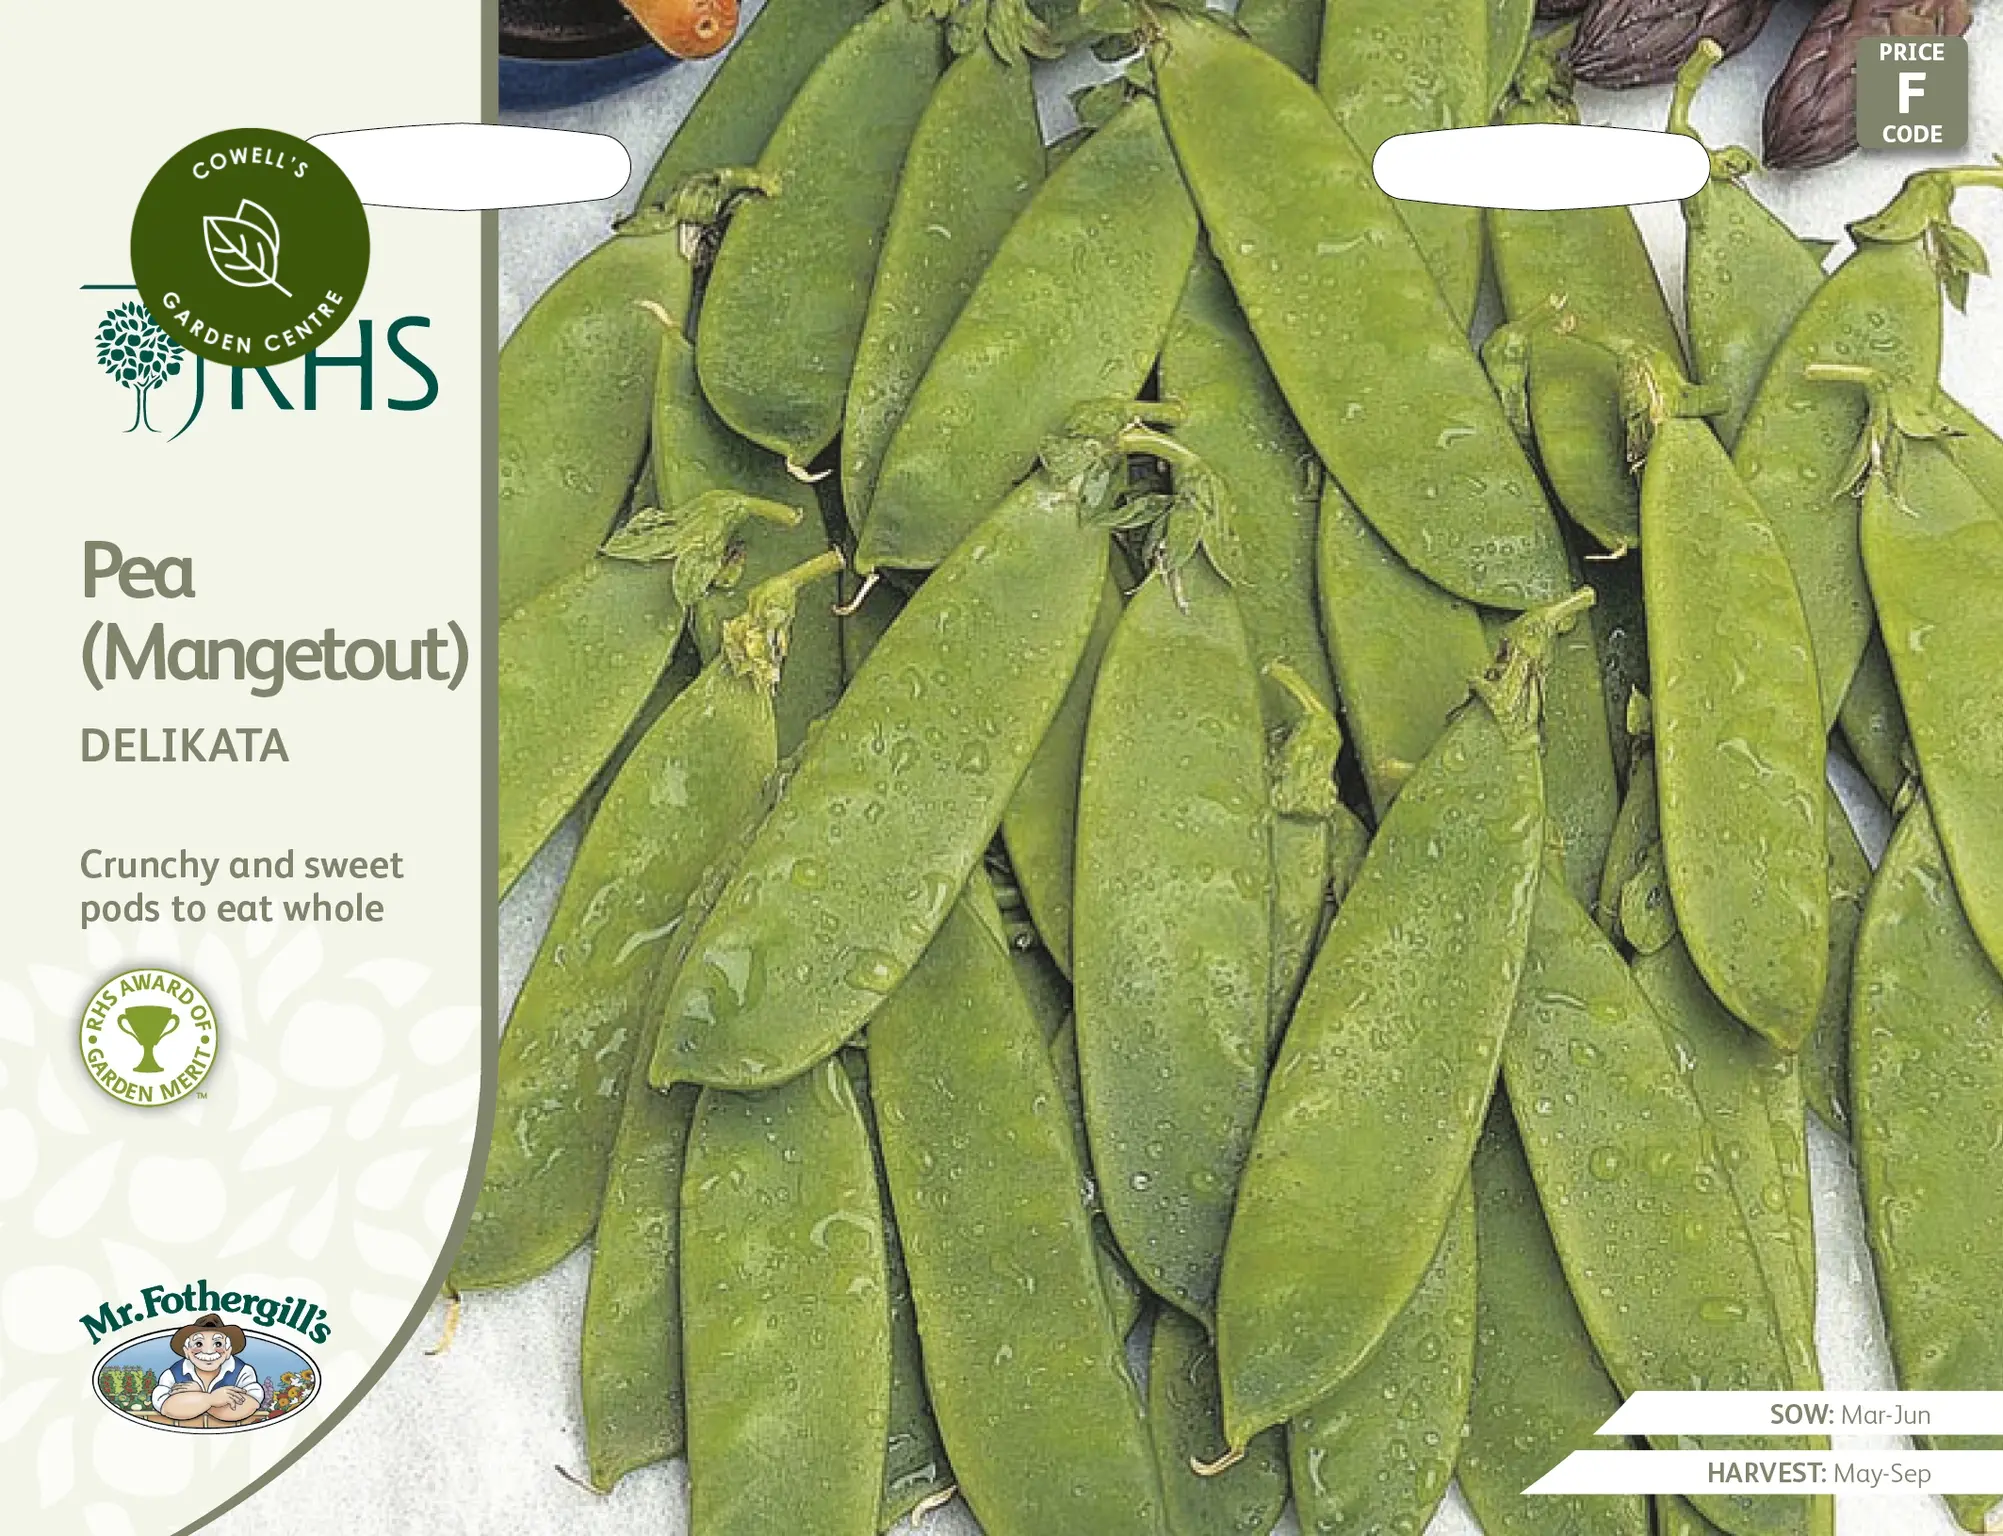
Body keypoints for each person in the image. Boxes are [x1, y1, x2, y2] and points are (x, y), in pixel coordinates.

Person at [152, 1314, 263, 1425]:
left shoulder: (242, 1371)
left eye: (218, 1344)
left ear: (228, 1351)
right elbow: (166, 1407)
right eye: (198, 1344)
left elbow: (251, 1404)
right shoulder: (172, 1374)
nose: (208, 1351)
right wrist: (212, 1399)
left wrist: (195, 1399)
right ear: (187, 1351)